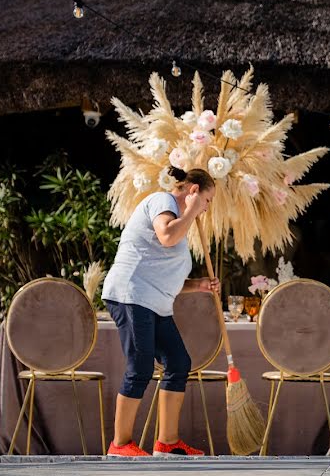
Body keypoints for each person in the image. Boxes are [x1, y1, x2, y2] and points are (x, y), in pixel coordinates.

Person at [101, 167, 220, 457]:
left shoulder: (180, 222)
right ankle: (120, 445)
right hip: (131, 295)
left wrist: (199, 284)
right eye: (207, 200)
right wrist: (191, 211)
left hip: (154, 302)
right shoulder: (162, 201)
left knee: (179, 362)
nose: (207, 208)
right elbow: (166, 236)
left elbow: (165, 277)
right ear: (192, 190)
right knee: (140, 366)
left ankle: (167, 442)